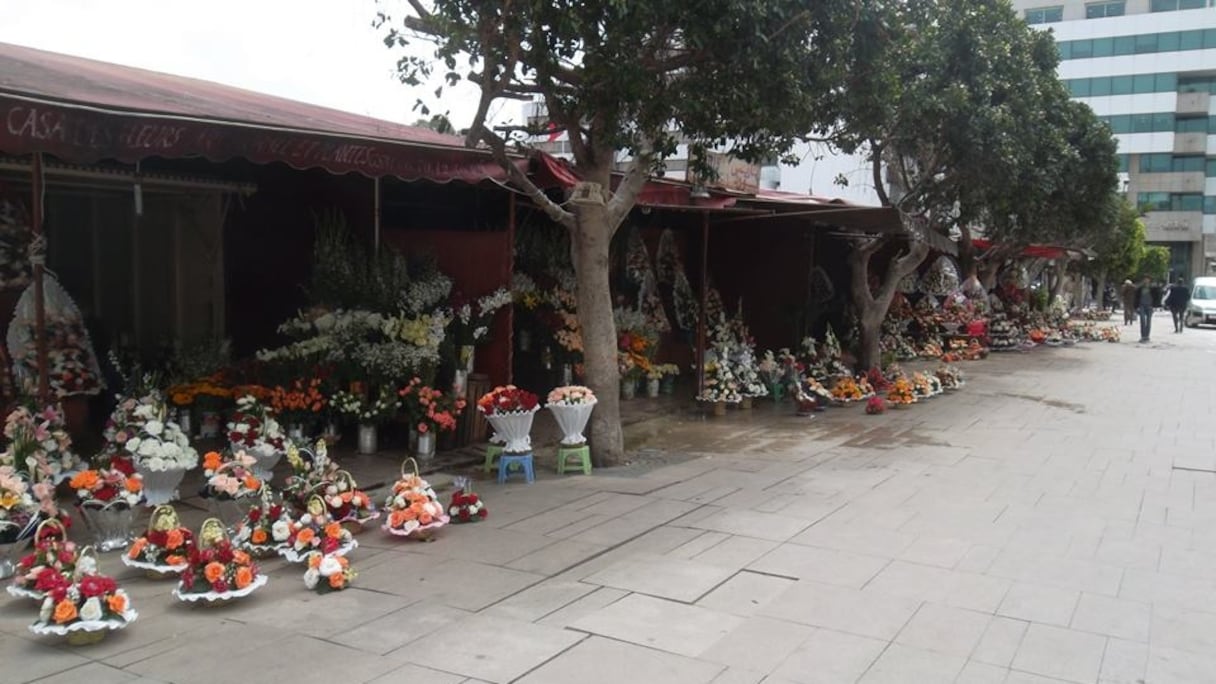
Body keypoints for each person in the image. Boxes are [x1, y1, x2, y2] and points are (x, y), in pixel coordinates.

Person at [1136, 276, 1155, 343]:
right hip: (1141, 305)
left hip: (1150, 306)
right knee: (1142, 320)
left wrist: (1154, 306)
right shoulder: (1140, 288)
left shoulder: (1152, 288)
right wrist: (1136, 307)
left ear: (1149, 280)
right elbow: (1136, 297)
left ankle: (1147, 336)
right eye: (1145, 279)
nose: (1146, 280)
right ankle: (1143, 336)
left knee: (1149, 321)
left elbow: (1156, 297)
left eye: (1147, 279)